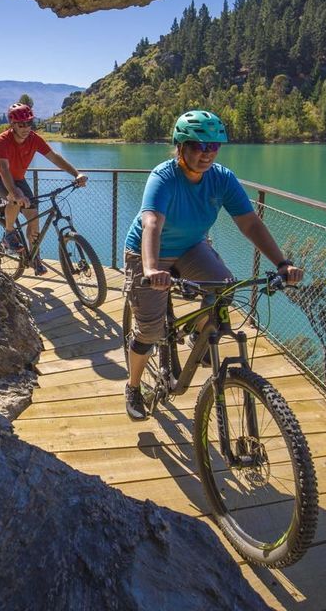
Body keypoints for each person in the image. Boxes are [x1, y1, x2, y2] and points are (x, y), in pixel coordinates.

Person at [122, 109, 303, 421]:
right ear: (180, 146)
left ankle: (197, 334)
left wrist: (283, 263)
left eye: (213, 146)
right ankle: (133, 386)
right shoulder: (163, 177)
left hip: (192, 246)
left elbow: (250, 224)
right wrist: (151, 269)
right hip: (149, 252)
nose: (206, 154)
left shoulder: (222, 179)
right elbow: (152, 222)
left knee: (224, 286)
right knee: (149, 332)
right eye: (197, 146)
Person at [0, 102, 87, 275]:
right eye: (21, 124)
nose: (26, 128)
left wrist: (76, 174)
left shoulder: (34, 139)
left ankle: (35, 258)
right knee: (15, 199)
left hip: (18, 178)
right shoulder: (2, 140)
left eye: (29, 123)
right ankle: (9, 233)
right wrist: (15, 193)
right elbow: (3, 169)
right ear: (12, 124)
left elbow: (54, 157)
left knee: (34, 218)